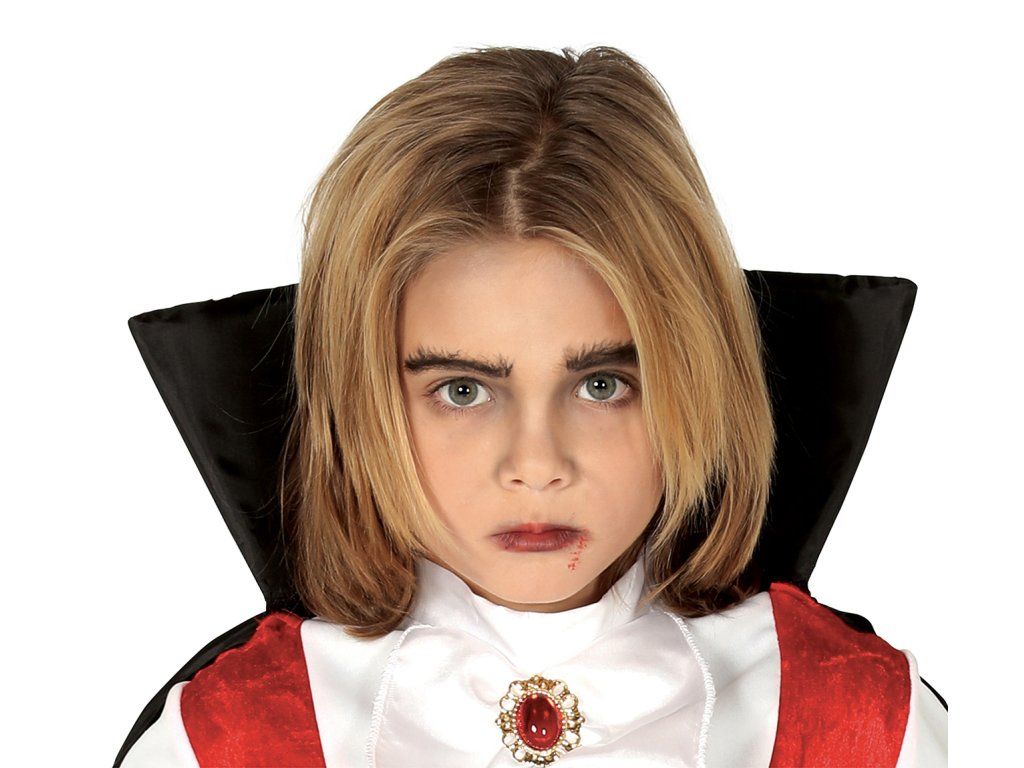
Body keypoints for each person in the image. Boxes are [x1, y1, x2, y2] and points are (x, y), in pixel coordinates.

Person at [118, 45, 947, 767]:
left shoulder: (864, 723)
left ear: (696, 381)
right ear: (362, 402)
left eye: (601, 385)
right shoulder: (228, 740)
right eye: (463, 391)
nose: (538, 467)